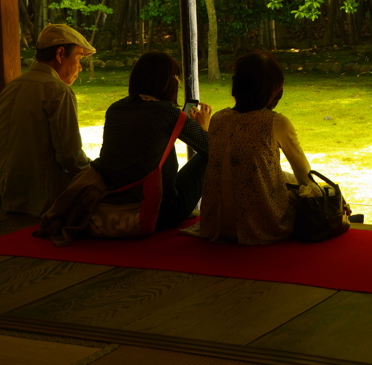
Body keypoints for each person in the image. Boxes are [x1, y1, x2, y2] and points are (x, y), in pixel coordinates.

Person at [184, 50, 314, 245]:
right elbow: (306, 177)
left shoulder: (218, 119)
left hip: (215, 227)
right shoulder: (276, 123)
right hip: (259, 229)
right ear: (274, 89)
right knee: (304, 193)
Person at [93, 51, 212, 230]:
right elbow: (213, 149)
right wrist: (204, 128)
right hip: (160, 210)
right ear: (169, 82)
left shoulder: (115, 109)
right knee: (207, 158)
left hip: (114, 202)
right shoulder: (167, 113)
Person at [0, 24, 94, 215]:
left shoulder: (12, 86)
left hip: (10, 194)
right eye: (79, 58)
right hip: (44, 201)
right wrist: (95, 174)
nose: (80, 67)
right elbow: (69, 157)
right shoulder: (57, 91)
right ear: (60, 54)